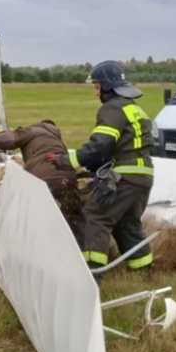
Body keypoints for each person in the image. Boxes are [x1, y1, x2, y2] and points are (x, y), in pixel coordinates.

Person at [47, 60, 155, 281]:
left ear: (107, 86)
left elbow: (99, 146)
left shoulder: (112, 109)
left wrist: (64, 160)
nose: (96, 94)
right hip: (143, 176)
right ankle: (144, 273)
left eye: (97, 87)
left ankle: (92, 276)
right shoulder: (134, 108)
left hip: (125, 176)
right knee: (127, 223)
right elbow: (118, 147)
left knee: (94, 217)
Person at [0, 120, 82, 234]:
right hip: (69, 179)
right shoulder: (57, 141)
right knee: (70, 222)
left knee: (38, 221)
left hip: (43, 179)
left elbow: (8, 139)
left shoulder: (34, 131)